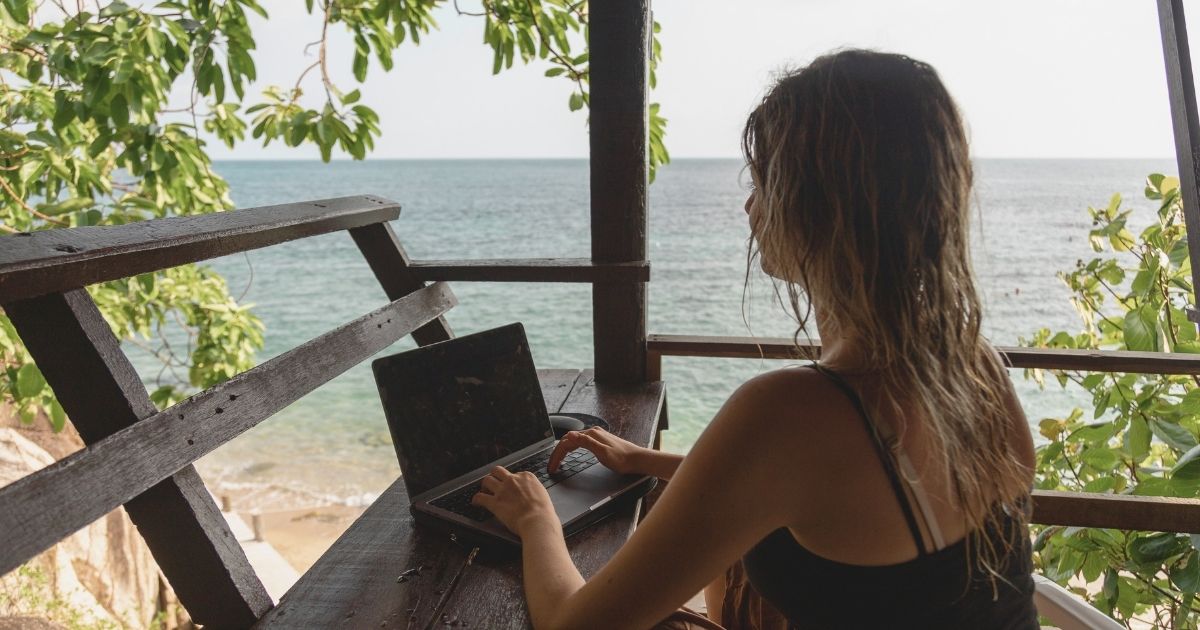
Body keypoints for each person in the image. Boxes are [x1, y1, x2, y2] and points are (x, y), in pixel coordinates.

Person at [469, 49, 1039, 629]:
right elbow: (833, 485)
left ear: (819, 207)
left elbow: (574, 625)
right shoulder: (976, 369)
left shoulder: (789, 413)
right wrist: (646, 460)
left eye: (764, 182)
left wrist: (536, 518)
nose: (749, 205)